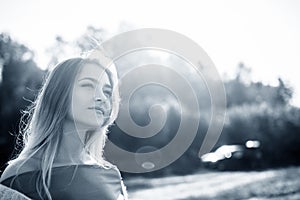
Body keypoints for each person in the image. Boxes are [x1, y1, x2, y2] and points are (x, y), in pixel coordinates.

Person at [0, 50, 128, 200]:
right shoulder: (20, 175)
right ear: (58, 94)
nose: (101, 97)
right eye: (88, 85)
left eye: (107, 92)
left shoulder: (111, 175)